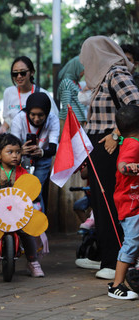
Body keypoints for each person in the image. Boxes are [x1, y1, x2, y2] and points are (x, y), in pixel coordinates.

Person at [79, 35, 139, 280]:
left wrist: (116, 133)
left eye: (87, 58)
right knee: (101, 204)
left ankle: (117, 262)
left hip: (111, 146)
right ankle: (108, 256)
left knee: (111, 202)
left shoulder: (116, 73)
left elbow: (135, 105)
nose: (85, 64)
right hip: (98, 147)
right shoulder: (103, 77)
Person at [0, 133, 45, 277]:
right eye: (10, 152)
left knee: (27, 232)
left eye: (18, 152)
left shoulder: (22, 172)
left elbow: (29, 188)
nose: (15, 156)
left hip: (18, 213)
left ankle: (33, 262)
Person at [107, 105, 139, 300]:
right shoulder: (133, 145)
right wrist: (129, 167)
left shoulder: (130, 140)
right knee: (132, 241)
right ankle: (116, 285)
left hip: (133, 199)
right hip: (128, 201)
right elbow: (121, 165)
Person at [11, 92, 60, 213]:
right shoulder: (19, 119)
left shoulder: (53, 120)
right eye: (32, 114)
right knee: (22, 190)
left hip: (43, 159)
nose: (36, 119)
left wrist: (42, 152)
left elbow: (53, 149)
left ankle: (39, 227)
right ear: (27, 112)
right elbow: (12, 148)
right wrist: (21, 151)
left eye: (41, 115)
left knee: (36, 191)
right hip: (21, 159)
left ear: (47, 113)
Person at [0, 56, 58, 135]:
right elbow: (7, 119)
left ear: (32, 72)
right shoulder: (8, 92)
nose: (19, 76)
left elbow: (54, 120)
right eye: (15, 73)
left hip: (38, 140)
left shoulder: (43, 94)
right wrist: (3, 128)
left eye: (22, 73)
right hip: (15, 140)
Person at [57, 56, 87, 124]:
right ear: (76, 69)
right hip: (71, 122)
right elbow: (66, 106)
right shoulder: (67, 82)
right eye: (82, 69)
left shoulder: (74, 83)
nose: (83, 73)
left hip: (76, 121)